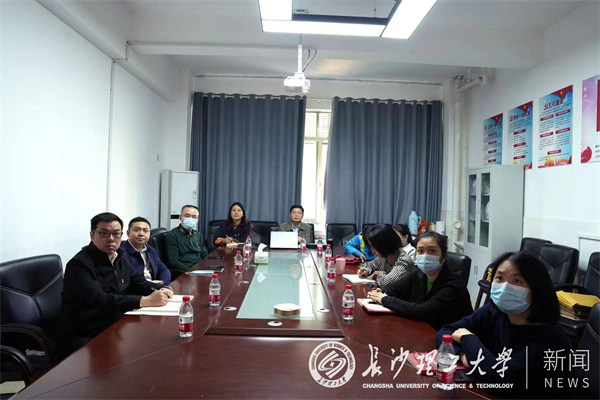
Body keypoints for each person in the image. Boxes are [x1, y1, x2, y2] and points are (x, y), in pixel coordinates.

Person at [436, 252, 571, 397]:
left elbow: (499, 380)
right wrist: (464, 355)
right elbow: (445, 333)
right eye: (499, 278)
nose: (505, 287)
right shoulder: (494, 312)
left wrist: (467, 338)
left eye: (517, 281)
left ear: (537, 289)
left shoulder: (550, 338)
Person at [56, 212, 173, 358]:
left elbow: (137, 281)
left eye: (116, 234)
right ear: (92, 235)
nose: (111, 239)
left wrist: (162, 288)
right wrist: (145, 301)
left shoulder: (120, 256)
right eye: (104, 233)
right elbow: (101, 299)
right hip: (84, 333)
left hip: (115, 323)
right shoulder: (79, 264)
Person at [368, 232, 472, 330]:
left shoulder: (454, 285)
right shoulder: (419, 273)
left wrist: (385, 299)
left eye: (432, 251)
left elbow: (424, 312)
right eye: (420, 251)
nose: (425, 256)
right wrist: (381, 291)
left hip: (452, 336)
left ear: (443, 257)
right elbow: (394, 288)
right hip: (424, 329)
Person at [120, 216, 171, 284]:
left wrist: (162, 282)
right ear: (128, 233)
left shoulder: (150, 250)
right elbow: (126, 280)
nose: (141, 234)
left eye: (145, 231)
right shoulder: (121, 253)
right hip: (138, 289)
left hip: (154, 286)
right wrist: (151, 285)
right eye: (137, 230)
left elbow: (163, 270)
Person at [166, 205, 207, 278]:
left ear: (197, 220)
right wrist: (191, 271)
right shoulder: (172, 235)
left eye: (194, 217)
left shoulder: (197, 235)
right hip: (184, 273)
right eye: (187, 216)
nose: (190, 219)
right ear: (180, 217)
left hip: (199, 269)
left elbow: (204, 254)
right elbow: (173, 262)